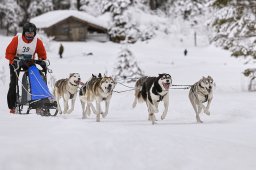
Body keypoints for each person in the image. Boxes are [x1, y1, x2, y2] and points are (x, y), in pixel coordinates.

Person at [5, 22, 47, 113]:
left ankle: (38, 102)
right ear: (24, 33)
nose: (30, 35)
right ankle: (12, 105)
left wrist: (41, 60)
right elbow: (8, 53)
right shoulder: (17, 39)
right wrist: (13, 59)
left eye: (32, 33)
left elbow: (42, 54)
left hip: (29, 62)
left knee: (36, 78)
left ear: (34, 33)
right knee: (13, 82)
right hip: (16, 62)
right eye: (28, 33)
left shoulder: (37, 41)